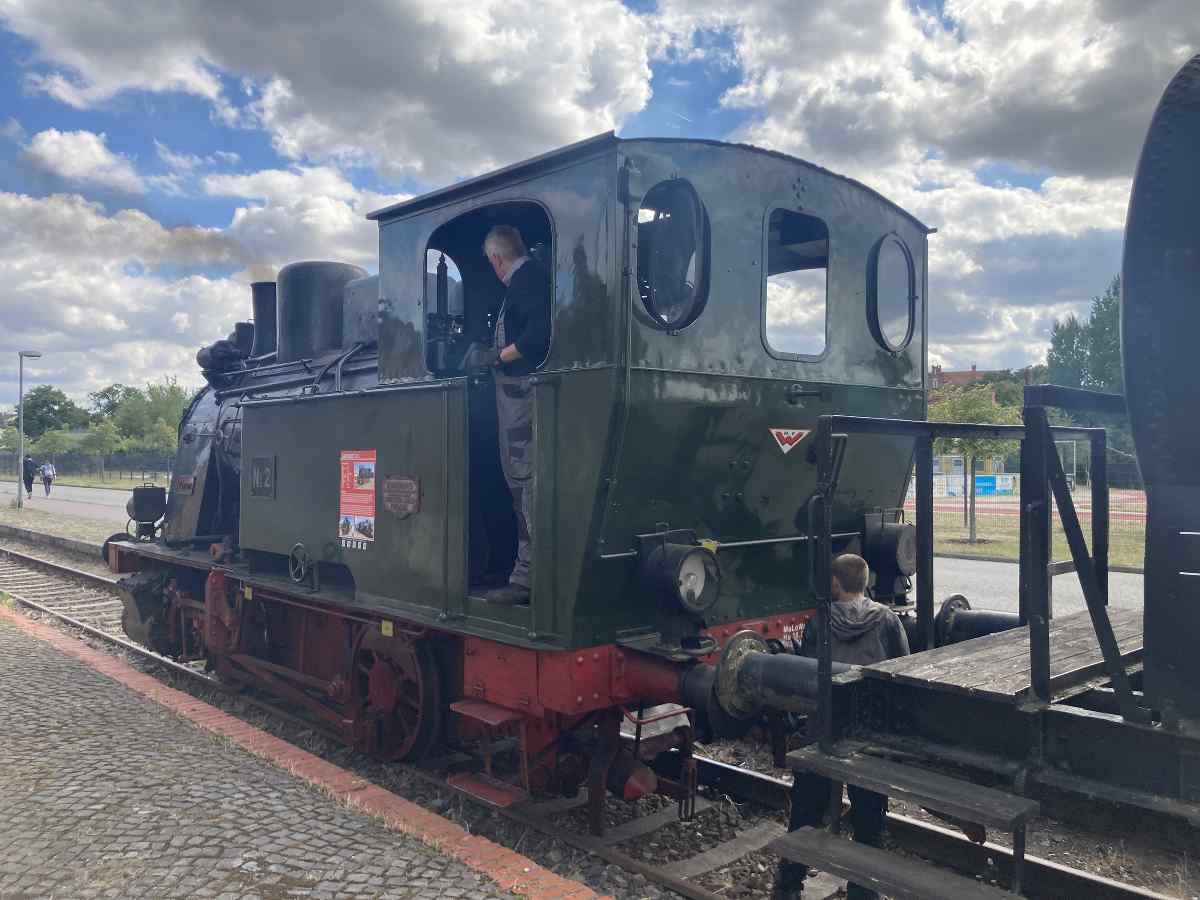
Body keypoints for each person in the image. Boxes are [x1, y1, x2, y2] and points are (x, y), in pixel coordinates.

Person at [776, 553, 910, 900]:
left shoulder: (819, 622)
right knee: (869, 818)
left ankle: (788, 886)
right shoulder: (888, 620)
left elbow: (808, 676)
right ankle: (863, 892)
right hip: (869, 735)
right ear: (865, 582)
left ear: (835, 583)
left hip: (825, 731)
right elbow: (903, 671)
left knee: (805, 811)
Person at [462, 225, 551, 606]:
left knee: (524, 482)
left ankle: (527, 578)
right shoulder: (528, 280)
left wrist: (496, 356)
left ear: (497, 259)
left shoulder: (526, 279)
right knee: (518, 482)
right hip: (513, 401)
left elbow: (538, 336)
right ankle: (514, 567)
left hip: (521, 401)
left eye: (490, 262)